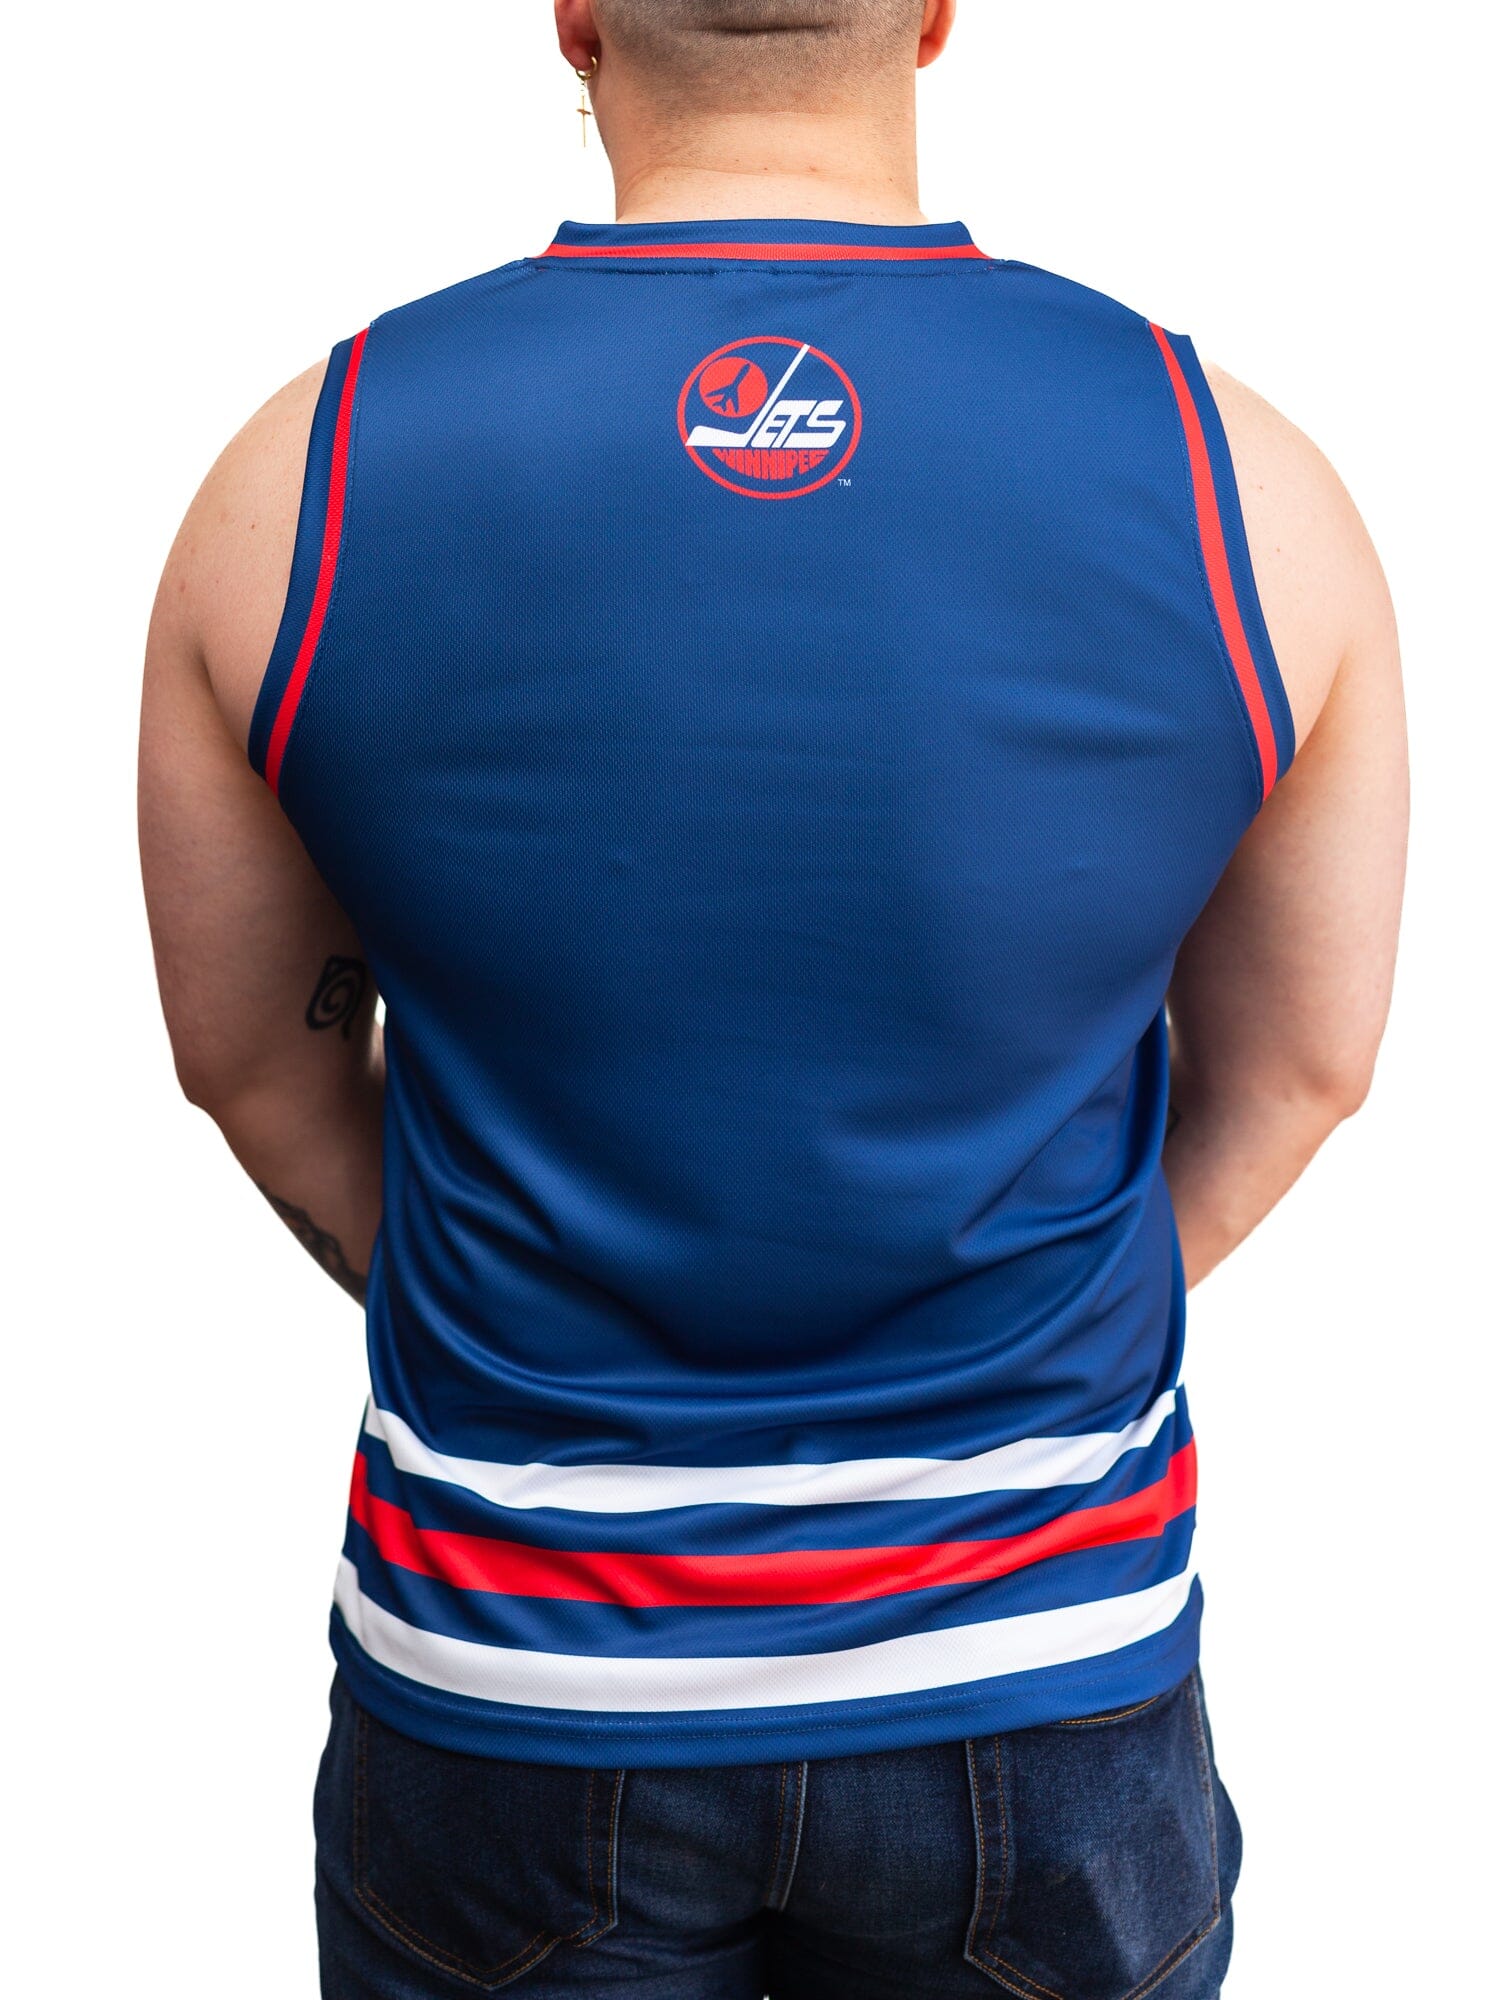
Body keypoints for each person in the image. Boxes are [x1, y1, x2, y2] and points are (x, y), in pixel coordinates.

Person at [136, 1, 1408, 1993]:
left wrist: (506, 1324)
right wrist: (1018, 1343)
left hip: (518, 1672)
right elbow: (1307, 1064)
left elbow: (249, 1060)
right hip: (1039, 1661)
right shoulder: (1246, 479)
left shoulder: (295, 479)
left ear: (577, 16)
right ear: (932, 15)